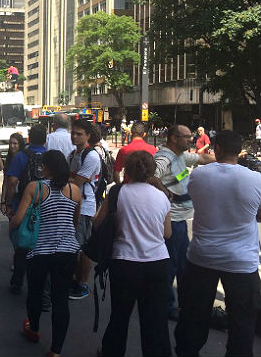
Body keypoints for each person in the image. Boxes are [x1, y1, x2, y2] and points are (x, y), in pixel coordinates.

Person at [174, 130, 261, 357]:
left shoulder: (198, 176)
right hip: (241, 262)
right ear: (240, 151)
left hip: (202, 257)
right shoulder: (255, 179)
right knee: (242, 323)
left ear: (217, 149)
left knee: (193, 316)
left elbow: (185, 187)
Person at [95, 151, 172, 357]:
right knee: (154, 320)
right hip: (157, 262)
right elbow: (167, 233)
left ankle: (112, 352)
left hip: (125, 262)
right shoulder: (162, 196)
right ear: (151, 170)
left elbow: (97, 222)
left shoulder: (117, 193)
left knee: (120, 316)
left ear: (127, 169)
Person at [11, 150, 81, 357]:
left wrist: (12, 229)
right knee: (60, 299)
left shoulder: (36, 188)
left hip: (39, 251)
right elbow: (74, 222)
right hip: (67, 250)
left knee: (35, 291)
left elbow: (18, 219)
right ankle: (56, 350)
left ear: (47, 167)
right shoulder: (74, 190)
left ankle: (33, 329)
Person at [154, 124, 215, 321]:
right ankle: (166, 306)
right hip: (172, 221)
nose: (190, 139)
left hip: (180, 220)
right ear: (173, 138)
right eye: (186, 136)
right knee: (171, 266)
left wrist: (226, 160)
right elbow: (150, 176)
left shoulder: (179, 156)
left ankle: (182, 303)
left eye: (190, 136)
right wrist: (165, 193)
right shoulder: (164, 157)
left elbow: (203, 157)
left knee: (182, 266)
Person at [3, 124, 47, 294]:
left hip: (24, 202)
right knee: (42, 242)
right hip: (45, 202)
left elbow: (12, 181)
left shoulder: (22, 156)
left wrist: (8, 203)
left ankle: (18, 280)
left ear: (29, 138)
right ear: (45, 139)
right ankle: (40, 283)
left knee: (22, 241)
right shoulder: (50, 155)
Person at [68, 119, 102, 299]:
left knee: (83, 247)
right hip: (74, 205)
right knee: (75, 246)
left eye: (79, 133)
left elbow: (75, 182)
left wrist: (68, 180)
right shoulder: (75, 154)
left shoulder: (91, 156)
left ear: (88, 136)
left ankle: (82, 284)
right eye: (73, 133)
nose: (74, 136)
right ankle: (75, 280)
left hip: (85, 208)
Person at [0, 133, 25, 217]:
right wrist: (3, 200)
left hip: (21, 196)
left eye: (15, 143)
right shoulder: (9, 159)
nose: (12, 146)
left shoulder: (24, 158)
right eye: (10, 143)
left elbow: (12, 182)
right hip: (11, 197)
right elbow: (5, 182)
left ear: (20, 144)